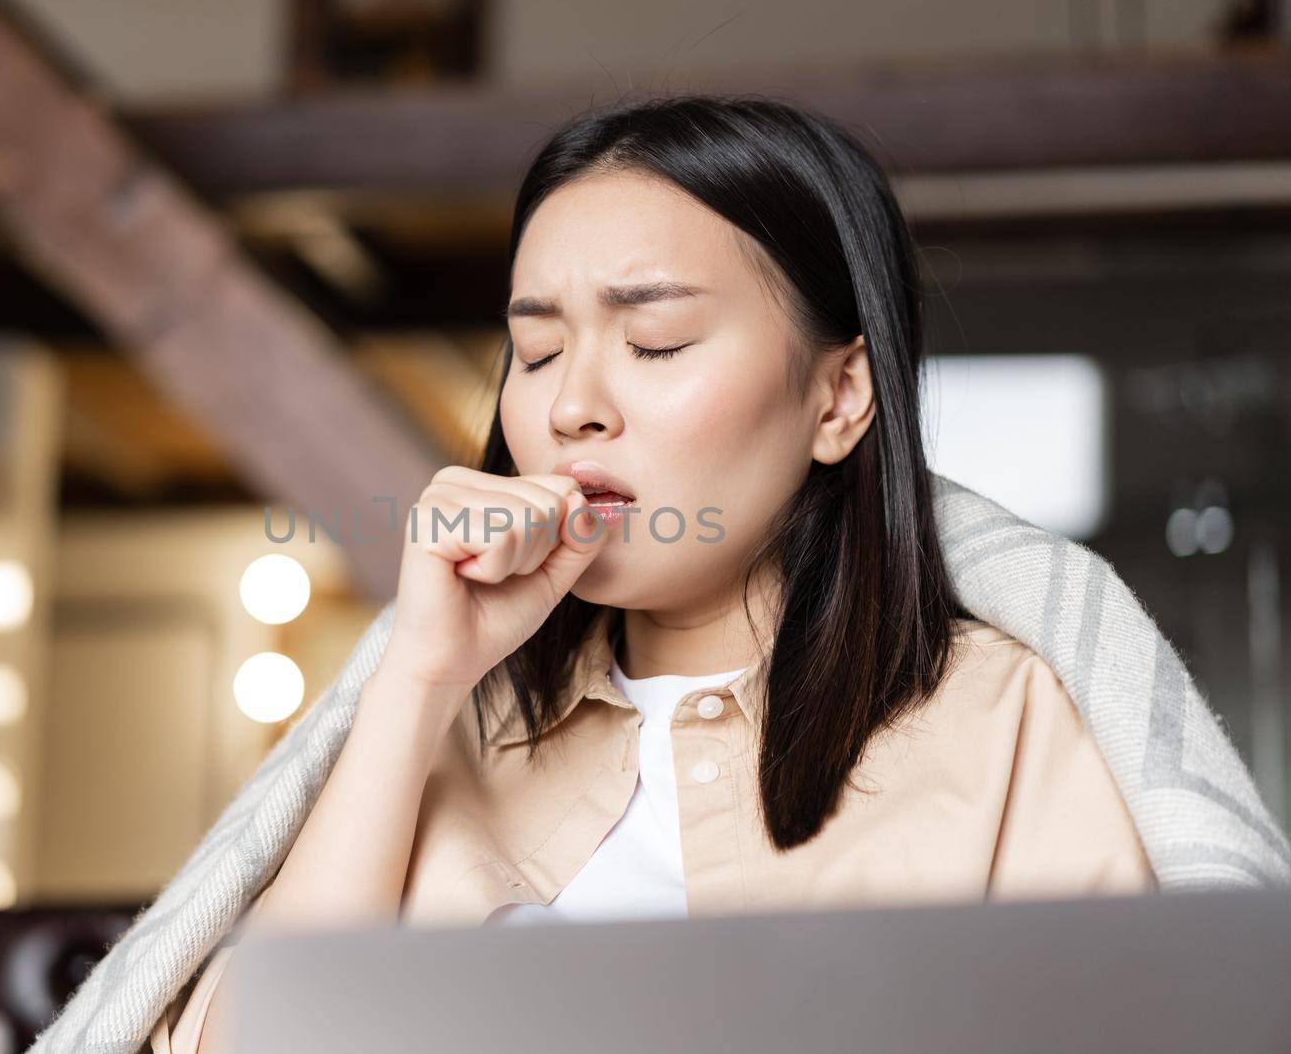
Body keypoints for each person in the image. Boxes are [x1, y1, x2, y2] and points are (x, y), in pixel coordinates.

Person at [146, 93, 1155, 1053]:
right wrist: (417, 680)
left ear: (839, 396)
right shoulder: (448, 722)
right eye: (535, 352)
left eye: (654, 341)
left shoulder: (1008, 718)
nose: (571, 405)